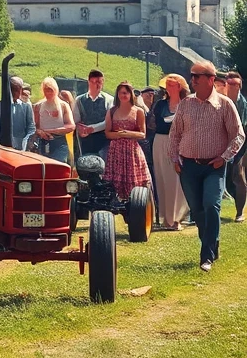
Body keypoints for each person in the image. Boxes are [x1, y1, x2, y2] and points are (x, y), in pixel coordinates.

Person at [168, 61, 245, 272]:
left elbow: (238, 135)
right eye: (192, 76)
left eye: (197, 76)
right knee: (198, 211)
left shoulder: (225, 105)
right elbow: (174, 134)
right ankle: (213, 243)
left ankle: (206, 256)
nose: (192, 80)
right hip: (188, 167)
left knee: (212, 205)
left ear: (211, 79)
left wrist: (224, 157)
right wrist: (175, 159)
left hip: (214, 165)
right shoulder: (185, 104)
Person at [153, 74, 190, 230]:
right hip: (160, 141)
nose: (168, 88)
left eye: (172, 85)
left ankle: (176, 218)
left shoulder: (187, 104)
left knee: (176, 180)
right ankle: (165, 218)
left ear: (179, 86)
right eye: (167, 85)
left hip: (180, 142)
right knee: (162, 179)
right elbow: (154, 123)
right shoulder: (160, 105)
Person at [103, 82, 151, 201]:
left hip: (132, 150)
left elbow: (142, 134)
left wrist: (127, 133)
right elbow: (107, 133)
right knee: (114, 183)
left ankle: (135, 203)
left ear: (131, 94)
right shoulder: (112, 111)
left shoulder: (138, 111)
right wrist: (118, 135)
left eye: (125, 93)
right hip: (116, 150)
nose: (122, 96)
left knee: (135, 182)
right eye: (120, 93)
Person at [73, 70, 114, 159]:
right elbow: (76, 120)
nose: (97, 85)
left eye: (100, 82)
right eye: (94, 82)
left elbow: (109, 122)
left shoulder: (109, 99)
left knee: (102, 167)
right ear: (89, 82)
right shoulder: (79, 100)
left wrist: (92, 129)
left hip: (103, 141)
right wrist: (80, 129)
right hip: (85, 141)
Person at [33, 77, 76, 162]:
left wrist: (52, 131)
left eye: (51, 90)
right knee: (44, 167)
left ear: (56, 90)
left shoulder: (63, 105)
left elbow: (71, 126)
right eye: (46, 90)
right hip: (43, 141)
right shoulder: (38, 106)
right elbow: (34, 126)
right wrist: (40, 132)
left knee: (58, 166)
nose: (48, 93)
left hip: (60, 141)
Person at [223, 71, 247, 222]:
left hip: (240, 145)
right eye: (229, 83)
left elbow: (242, 128)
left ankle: (239, 213)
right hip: (221, 144)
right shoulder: (220, 100)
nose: (232, 86)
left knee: (238, 176)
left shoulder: (243, 105)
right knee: (224, 179)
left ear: (240, 86)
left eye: (235, 84)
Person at [0, 76, 36, 150]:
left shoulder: (26, 106)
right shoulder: (1, 105)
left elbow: (31, 128)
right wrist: (2, 143)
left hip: (22, 148)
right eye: (13, 90)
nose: (15, 93)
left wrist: (25, 143)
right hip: (5, 147)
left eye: (18, 90)